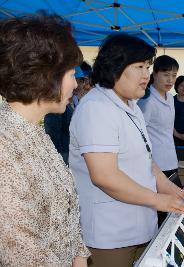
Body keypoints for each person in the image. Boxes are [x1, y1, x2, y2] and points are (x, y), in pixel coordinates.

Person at [69, 34, 184, 267]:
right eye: (139, 67)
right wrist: (159, 201)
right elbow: (105, 176)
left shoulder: (131, 105)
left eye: (148, 67)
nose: (146, 75)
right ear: (115, 66)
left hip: (141, 225)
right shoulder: (96, 108)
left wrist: (175, 192)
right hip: (110, 234)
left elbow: (147, 161)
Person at [0, 14, 90, 266]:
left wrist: (79, 256)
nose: (75, 83)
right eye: (71, 73)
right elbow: (21, 250)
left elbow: (67, 214)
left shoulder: (35, 134)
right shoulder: (4, 145)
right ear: (44, 75)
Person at [44, 66, 87, 165]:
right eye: (76, 80)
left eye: (81, 82)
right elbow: (52, 134)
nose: (78, 85)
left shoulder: (76, 100)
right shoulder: (57, 107)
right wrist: (59, 157)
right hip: (63, 154)